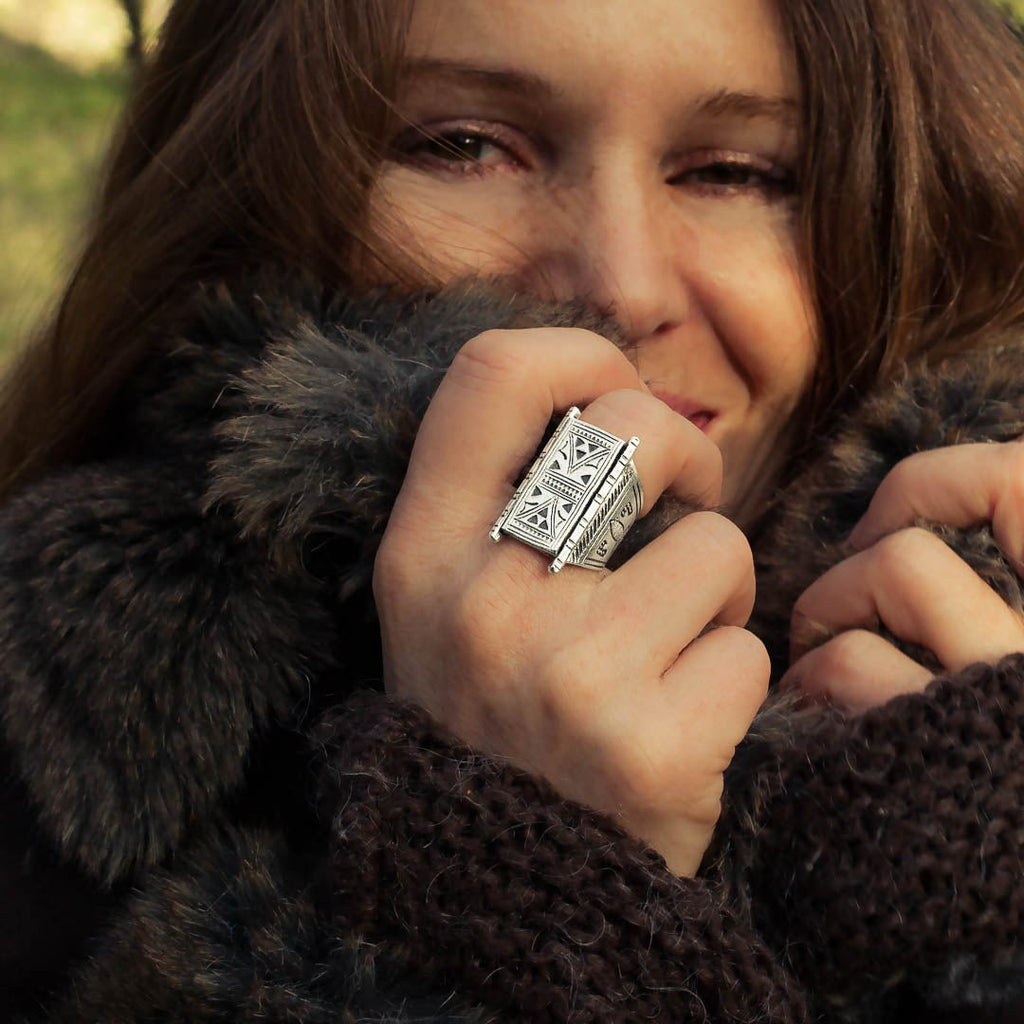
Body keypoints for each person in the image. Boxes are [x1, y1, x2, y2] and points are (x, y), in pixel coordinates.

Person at [2, 0, 1024, 1020]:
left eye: (736, 173)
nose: (620, 287)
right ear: (256, 182)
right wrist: (487, 907)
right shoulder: (52, 702)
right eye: (465, 146)